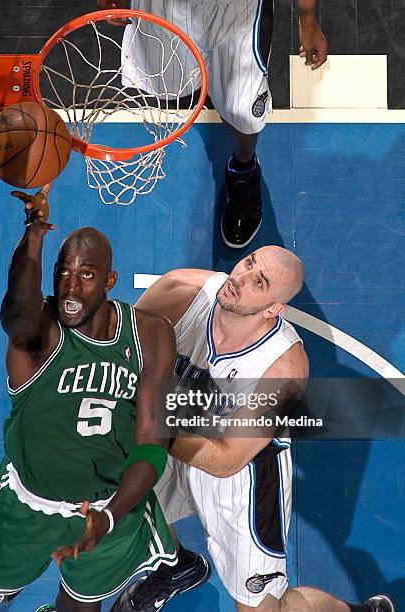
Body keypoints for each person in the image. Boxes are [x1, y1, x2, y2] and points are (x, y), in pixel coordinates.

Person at [110, 247, 396, 612]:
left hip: (242, 474)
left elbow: (227, 459)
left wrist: (150, 425)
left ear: (273, 308)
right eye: (248, 263)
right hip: (173, 425)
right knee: (115, 495)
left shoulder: (283, 367)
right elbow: (120, 353)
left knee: (262, 608)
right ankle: (176, 566)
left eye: (258, 282)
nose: (239, 279)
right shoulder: (179, 290)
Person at [0, 186, 178, 612]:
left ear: (109, 281)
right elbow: (15, 313)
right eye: (62, 272)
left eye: (86, 275)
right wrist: (34, 233)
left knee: (81, 605)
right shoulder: (41, 332)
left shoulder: (150, 334)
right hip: (28, 504)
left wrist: (108, 518)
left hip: (109, 509)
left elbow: (151, 444)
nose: (70, 287)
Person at [97, 0, 327, 249]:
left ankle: (243, 168)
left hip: (239, 11)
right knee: (170, 84)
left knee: (243, 115)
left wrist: (307, 18)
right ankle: (210, 83)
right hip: (165, 5)